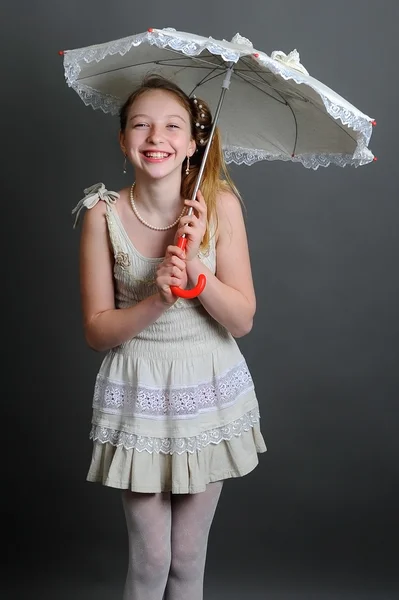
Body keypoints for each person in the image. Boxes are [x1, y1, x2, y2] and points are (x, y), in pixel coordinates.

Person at [72, 74, 267, 600]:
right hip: (139, 389)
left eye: (172, 126)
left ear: (191, 142)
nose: (156, 137)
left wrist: (198, 272)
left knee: (186, 559)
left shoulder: (219, 206)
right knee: (150, 560)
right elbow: (97, 331)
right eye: (141, 125)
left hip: (206, 385)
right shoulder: (101, 214)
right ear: (123, 139)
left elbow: (243, 320)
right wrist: (156, 300)